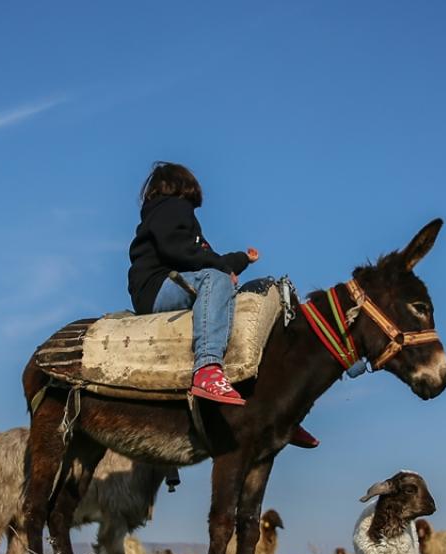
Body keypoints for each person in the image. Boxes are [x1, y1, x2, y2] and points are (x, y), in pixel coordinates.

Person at [128, 161, 318, 449]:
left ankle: (277, 410)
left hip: (180, 281)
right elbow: (177, 250)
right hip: (157, 288)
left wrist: (241, 259)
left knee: (241, 303)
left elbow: (204, 256)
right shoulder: (170, 208)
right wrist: (221, 269)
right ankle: (206, 368)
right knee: (216, 279)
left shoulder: (181, 217)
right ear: (183, 186)